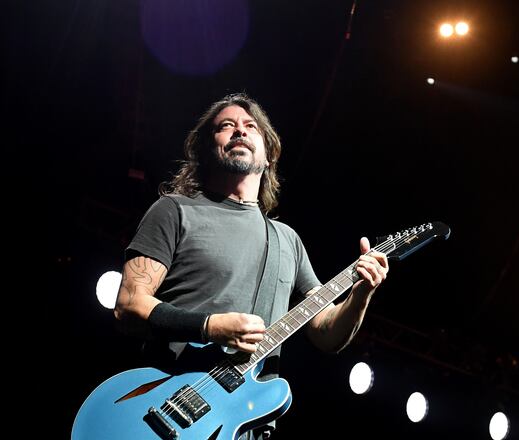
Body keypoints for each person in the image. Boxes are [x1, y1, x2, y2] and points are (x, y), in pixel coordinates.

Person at [113, 92, 389, 439]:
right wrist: (211, 327)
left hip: (241, 426)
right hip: (165, 408)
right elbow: (128, 305)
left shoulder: (287, 241)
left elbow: (326, 333)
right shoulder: (174, 211)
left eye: (250, 127)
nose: (239, 132)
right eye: (225, 127)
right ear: (204, 150)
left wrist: (361, 294)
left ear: (269, 153)